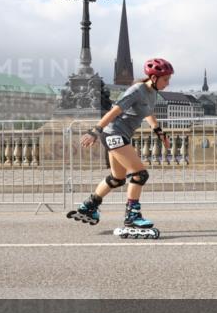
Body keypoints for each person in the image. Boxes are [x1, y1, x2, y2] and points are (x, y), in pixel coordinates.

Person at [67, 58, 174, 231]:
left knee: (117, 179)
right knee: (140, 174)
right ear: (154, 78)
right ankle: (132, 216)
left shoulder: (152, 93)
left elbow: (148, 112)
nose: (167, 83)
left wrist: (159, 132)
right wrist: (95, 131)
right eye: (165, 79)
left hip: (119, 135)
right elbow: (115, 110)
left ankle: (88, 206)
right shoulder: (137, 90)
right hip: (114, 133)